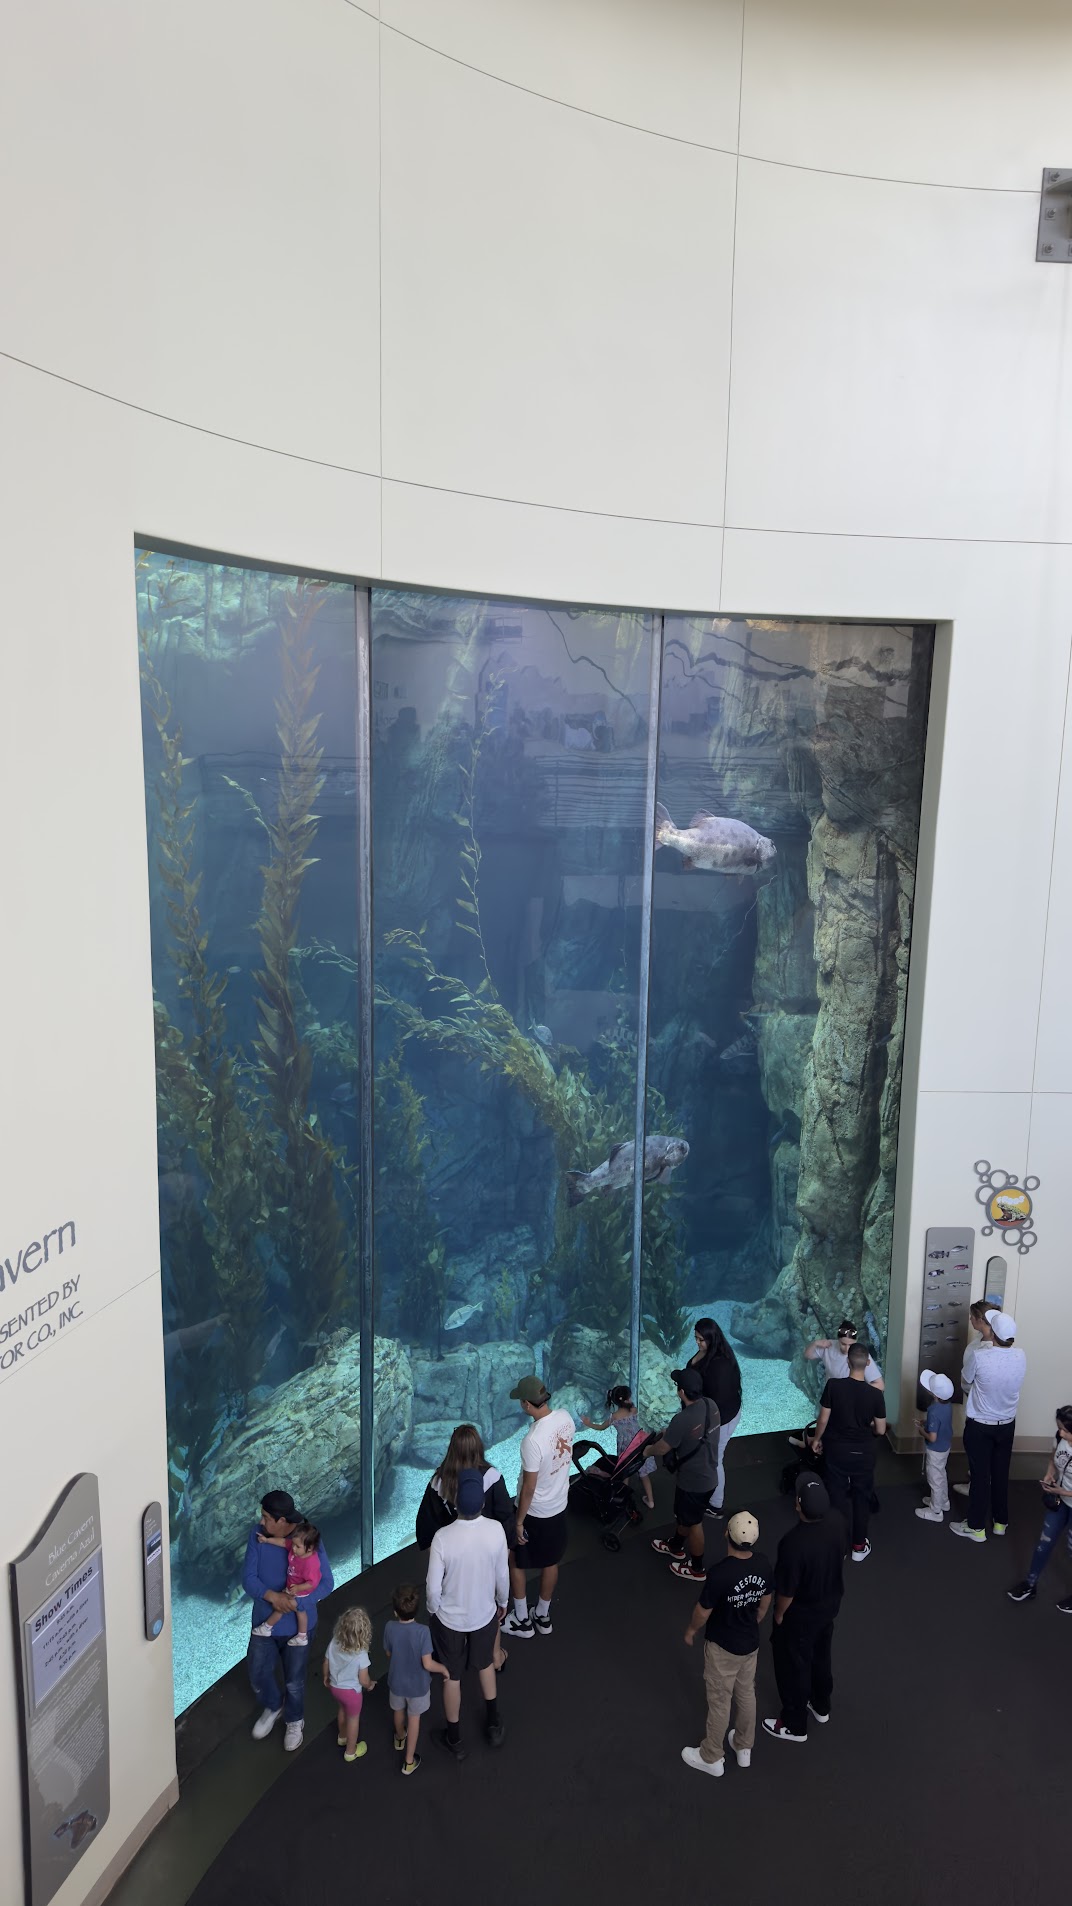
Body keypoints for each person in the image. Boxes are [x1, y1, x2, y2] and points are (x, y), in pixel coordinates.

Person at [681, 1510, 773, 1778]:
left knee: (721, 1701)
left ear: (726, 1536)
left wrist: (691, 1629)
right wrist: (757, 1616)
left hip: (723, 1647)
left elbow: (703, 1610)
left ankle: (711, 1756)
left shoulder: (721, 1573)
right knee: (746, 1694)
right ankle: (744, 1747)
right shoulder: (764, 1564)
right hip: (750, 1644)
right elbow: (766, 1598)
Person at [426, 1467, 510, 1758]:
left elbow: (433, 1589)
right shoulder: (496, 1530)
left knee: (452, 1676)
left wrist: (433, 1611)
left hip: (449, 1619)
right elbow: (502, 1576)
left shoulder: (442, 1538)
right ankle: (494, 1724)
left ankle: (455, 1739)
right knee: (486, 1664)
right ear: (483, 1503)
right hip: (484, 1614)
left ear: (456, 1502)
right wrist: (502, 1602)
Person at [243, 1489, 335, 1752]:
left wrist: (296, 1603)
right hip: (265, 1622)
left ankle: (295, 1719)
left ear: (281, 1522)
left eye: (265, 1517)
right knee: (258, 1674)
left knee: (295, 1680)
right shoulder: (256, 1536)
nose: (261, 1522)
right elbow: (248, 1579)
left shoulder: (307, 1539)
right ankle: (274, 1705)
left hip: (298, 1626)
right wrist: (273, 1597)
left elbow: (326, 1582)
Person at [418, 1422, 515, 1666]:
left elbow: (427, 1525)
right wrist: (503, 1549)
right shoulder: (491, 1476)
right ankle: (494, 1656)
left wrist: (439, 1558)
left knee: (453, 1603)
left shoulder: (439, 1481)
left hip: (451, 1560)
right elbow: (505, 1517)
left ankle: (452, 1655)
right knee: (488, 1604)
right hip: (485, 1557)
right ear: (478, 1447)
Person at [763, 1473, 845, 1743]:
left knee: (793, 1667)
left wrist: (778, 1615)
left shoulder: (793, 1544)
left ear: (798, 1504)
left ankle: (795, 1724)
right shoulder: (837, 1521)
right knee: (822, 1656)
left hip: (800, 1616)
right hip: (829, 1605)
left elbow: (786, 1592)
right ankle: (821, 1705)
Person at [503, 1377, 575, 1639]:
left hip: (536, 1512)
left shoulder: (531, 1440)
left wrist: (519, 1521)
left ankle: (522, 1619)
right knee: (551, 1560)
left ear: (525, 1404)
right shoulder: (566, 1418)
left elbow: (529, 1488)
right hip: (560, 1504)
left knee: (516, 1560)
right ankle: (542, 1615)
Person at [952, 1310, 1027, 1543]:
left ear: (992, 1333)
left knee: (980, 1476)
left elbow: (965, 1381)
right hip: (1007, 1424)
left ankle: (975, 1527)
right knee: (1001, 1473)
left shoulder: (980, 1356)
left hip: (980, 1426)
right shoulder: (1021, 1356)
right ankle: (1000, 1522)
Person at [811, 1342, 887, 1561]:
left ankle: (839, 1545)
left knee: (837, 1495)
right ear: (868, 1363)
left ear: (848, 1362)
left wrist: (817, 1439)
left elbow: (823, 1418)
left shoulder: (834, 1386)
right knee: (861, 1497)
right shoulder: (875, 1394)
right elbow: (881, 1430)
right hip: (863, 1452)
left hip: (836, 1450)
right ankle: (858, 1546)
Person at [648, 1369, 721, 1584]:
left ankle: (697, 1568)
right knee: (686, 1517)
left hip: (693, 1483)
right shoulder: (711, 1405)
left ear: (681, 1392)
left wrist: (646, 1451)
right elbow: (697, 1433)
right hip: (710, 1476)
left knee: (695, 1521)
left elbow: (662, 1448)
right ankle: (675, 1546)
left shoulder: (682, 1419)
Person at [1007, 1405, 1072, 1608]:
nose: (1061, 1432)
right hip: (1061, 1503)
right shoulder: (1060, 1438)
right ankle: (1030, 1584)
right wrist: (1049, 1473)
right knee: (1044, 1544)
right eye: (1060, 1428)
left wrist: (1062, 1492)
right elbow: (1054, 1458)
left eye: (1066, 1430)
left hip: (1064, 1496)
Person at [681, 1316, 743, 1519]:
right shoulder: (713, 1353)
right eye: (696, 1338)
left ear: (712, 1338)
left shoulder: (719, 1366)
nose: (698, 1343)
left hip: (723, 1418)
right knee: (712, 1458)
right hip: (722, 1413)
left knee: (716, 1460)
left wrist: (708, 1425)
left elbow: (718, 1401)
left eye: (701, 1339)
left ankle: (716, 1506)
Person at [383, 1583, 449, 1776]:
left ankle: (399, 1737)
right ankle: (409, 1761)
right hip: (418, 1686)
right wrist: (443, 1669)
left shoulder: (389, 1627)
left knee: (397, 1710)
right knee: (414, 1719)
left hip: (396, 1681)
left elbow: (388, 1653)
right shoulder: (422, 1632)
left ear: (395, 1611)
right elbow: (428, 1664)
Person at [952, 1300, 1002, 1499]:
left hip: (980, 1411)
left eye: (972, 1317)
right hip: (1000, 1412)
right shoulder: (1005, 1346)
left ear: (981, 1320)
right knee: (989, 1455)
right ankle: (979, 1481)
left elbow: (967, 1381)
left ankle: (977, 1486)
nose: (970, 1320)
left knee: (978, 1452)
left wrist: (970, 1391)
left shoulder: (980, 1350)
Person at [580, 1384, 656, 1510]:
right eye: (629, 1398)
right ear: (626, 1400)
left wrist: (588, 1423)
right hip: (639, 1445)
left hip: (626, 1448)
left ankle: (624, 1499)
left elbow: (601, 1428)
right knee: (644, 1474)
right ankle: (651, 1501)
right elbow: (631, 1410)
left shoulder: (614, 1417)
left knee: (624, 1472)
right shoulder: (633, 1410)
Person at [250, 1518, 322, 1644]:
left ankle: (297, 1635)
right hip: (292, 1587)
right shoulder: (297, 1549)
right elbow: (283, 1542)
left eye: (297, 1546)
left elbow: (313, 1583)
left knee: (290, 1608)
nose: (293, 1548)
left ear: (309, 1548)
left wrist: (298, 1589)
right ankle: (298, 1635)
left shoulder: (310, 1564)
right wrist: (267, 1540)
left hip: (301, 1591)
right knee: (290, 1608)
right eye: (293, 1544)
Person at [322, 1605, 377, 1763]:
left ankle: (342, 1737)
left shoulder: (334, 1641)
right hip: (351, 1693)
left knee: (341, 1710)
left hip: (335, 1687)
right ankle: (351, 1751)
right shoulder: (361, 1654)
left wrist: (326, 1676)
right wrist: (370, 1685)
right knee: (353, 1719)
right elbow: (363, 1679)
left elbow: (326, 1661)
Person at [914, 1371, 954, 1522]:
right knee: (941, 1474)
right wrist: (927, 1423)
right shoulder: (947, 1405)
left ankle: (936, 1511)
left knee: (934, 1479)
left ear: (934, 1394)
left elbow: (932, 1436)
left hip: (935, 1449)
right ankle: (943, 1501)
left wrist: (921, 1430)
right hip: (945, 1446)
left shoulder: (933, 1410)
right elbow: (939, 1425)